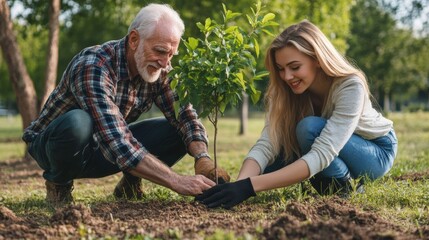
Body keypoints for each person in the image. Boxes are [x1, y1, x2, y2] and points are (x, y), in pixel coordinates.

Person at [22, 3, 230, 206]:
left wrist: (202, 158)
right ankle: (59, 184)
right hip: (57, 147)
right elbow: (115, 139)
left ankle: (130, 182)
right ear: (133, 40)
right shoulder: (94, 66)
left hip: (105, 148)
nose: (165, 63)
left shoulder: (161, 69)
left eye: (170, 54)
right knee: (78, 122)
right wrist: (176, 181)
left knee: (177, 130)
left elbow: (184, 115)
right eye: (159, 51)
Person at [196, 20, 398, 209]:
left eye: (294, 67)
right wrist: (238, 186)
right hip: (328, 147)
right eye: (281, 69)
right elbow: (268, 144)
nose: (287, 77)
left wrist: (250, 187)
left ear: (317, 59)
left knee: (308, 128)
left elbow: (322, 152)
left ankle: (344, 184)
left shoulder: (350, 86)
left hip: (374, 150)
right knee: (269, 166)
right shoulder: (285, 89)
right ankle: (327, 180)